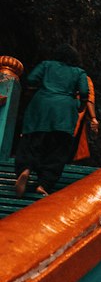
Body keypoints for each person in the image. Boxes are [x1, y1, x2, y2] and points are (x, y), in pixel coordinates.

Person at [14, 47, 93, 198]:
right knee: (58, 149)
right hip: (64, 112)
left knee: (32, 142)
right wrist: (81, 105)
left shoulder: (46, 65)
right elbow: (84, 91)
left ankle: (25, 170)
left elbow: (31, 79)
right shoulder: (79, 72)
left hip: (41, 107)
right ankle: (44, 184)